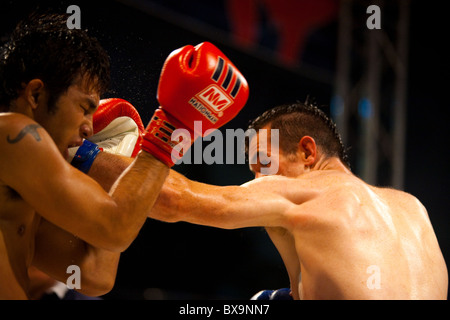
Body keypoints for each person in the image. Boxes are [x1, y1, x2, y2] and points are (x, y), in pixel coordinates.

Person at [0, 11, 248, 299]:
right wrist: (168, 132)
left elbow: (94, 275)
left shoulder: (21, 199)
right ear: (35, 94)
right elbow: (115, 228)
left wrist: (122, 175)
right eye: (84, 107)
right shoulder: (13, 134)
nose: (89, 126)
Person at [146, 101, 448, 300]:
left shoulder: (305, 193)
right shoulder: (412, 207)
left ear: (307, 152)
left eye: (263, 164)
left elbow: (174, 200)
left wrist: (107, 155)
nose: (258, 183)